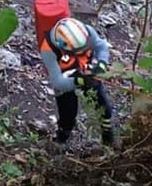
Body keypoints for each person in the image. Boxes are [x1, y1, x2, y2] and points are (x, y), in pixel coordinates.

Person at [39, 17, 115, 146]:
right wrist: (79, 80)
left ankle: (107, 134)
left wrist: (101, 63)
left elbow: (101, 45)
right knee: (67, 113)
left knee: (103, 106)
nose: (83, 52)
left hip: (87, 72)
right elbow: (58, 82)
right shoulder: (48, 50)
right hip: (66, 77)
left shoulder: (86, 31)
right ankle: (63, 136)